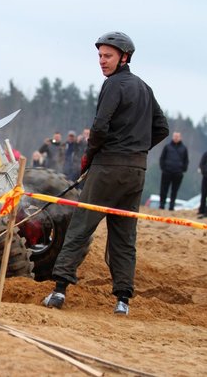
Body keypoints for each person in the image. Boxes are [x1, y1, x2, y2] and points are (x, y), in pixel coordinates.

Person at [43, 31, 169, 316]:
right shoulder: (145, 88)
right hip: (136, 172)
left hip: (108, 168)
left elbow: (99, 127)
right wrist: (137, 149)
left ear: (124, 57)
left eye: (107, 56)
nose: (102, 61)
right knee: (124, 237)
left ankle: (59, 291)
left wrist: (90, 155)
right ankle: (123, 300)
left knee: (80, 226)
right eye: (100, 55)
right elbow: (162, 128)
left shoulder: (113, 85)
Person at [158, 132, 189, 211]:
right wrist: (163, 168)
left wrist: (182, 170)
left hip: (178, 173)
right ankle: (162, 205)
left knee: (174, 190)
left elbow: (186, 160)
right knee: (164, 189)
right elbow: (162, 158)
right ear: (172, 137)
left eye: (177, 136)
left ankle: (171, 206)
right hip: (166, 171)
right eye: (175, 136)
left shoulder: (184, 148)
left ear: (180, 137)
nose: (176, 138)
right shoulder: (167, 147)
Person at [198, 150, 206, 219]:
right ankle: (201, 210)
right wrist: (205, 172)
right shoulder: (206, 154)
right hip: (206, 177)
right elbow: (202, 164)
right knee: (203, 194)